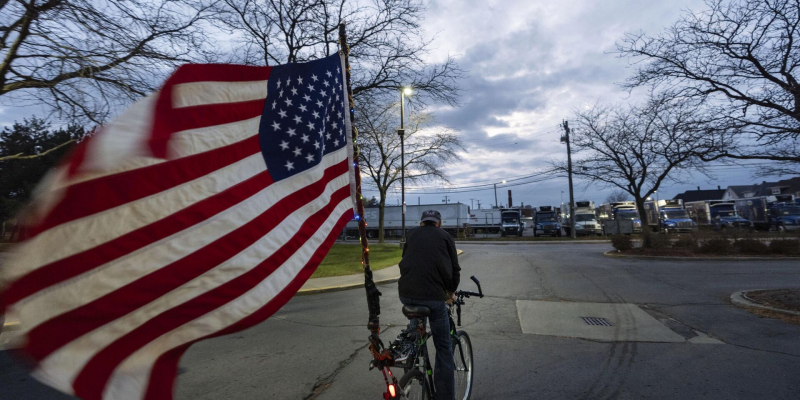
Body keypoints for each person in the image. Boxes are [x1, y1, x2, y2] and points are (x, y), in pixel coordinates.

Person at [398, 210, 461, 400]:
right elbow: (454, 269)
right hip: (433, 298)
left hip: (406, 296)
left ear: (422, 222)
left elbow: (405, 260)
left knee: (414, 336)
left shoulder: (411, 234)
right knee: (443, 348)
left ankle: (410, 369)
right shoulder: (445, 237)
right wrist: (450, 292)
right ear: (438, 223)